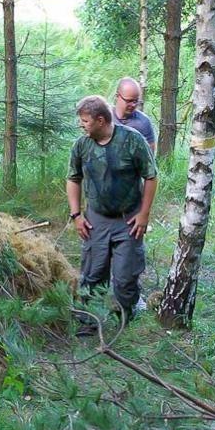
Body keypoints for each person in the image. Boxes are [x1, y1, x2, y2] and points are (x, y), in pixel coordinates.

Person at [66, 95, 158, 328]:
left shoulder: (132, 140)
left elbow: (150, 176)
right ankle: (89, 320)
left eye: (85, 121)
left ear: (100, 120)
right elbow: (73, 178)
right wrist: (76, 215)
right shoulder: (82, 145)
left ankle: (125, 317)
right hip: (96, 220)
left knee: (126, 277)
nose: (81, 125)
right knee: (93, 273)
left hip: (128, 220)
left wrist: (144, 214)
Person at [111, 77, 157, 153]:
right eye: (129, 101)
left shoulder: (143, 123)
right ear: (117, 96)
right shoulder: (105, 118)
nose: (133, 105)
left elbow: (150, 155)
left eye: (136, 101)